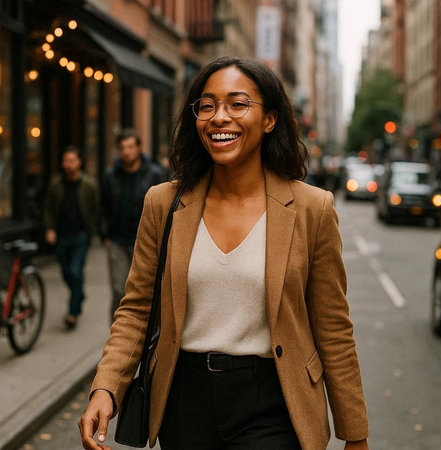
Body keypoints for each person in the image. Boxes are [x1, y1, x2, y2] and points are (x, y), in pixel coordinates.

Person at [79, 56, 369, 450]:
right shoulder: (163, 203)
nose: (219, 117)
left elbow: (333, 328)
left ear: (269, 119)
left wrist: (355, 434)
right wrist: (107, 387)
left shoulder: (311, 209)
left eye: (237, 104)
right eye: (208, 105)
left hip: (273, 399)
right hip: (184, 401)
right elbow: (136, 310)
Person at [100, 129, 167, 321]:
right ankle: (118, 336)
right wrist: (105, 235)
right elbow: (103, 207)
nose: (127, 152)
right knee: (119, 290)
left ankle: (145, 333)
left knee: (147, 289)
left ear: (139, 148)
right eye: (122, 148)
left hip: (146, 242)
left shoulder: (154, 174)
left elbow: (164, 206)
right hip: (118, 241)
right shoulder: (111, 176)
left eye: (130, 147)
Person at [44, 146, 99, 329]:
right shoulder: (56, 184)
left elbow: (96, 209)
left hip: (81, 236)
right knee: (66, 273)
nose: (68, 165)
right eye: (65, 161)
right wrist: (50, 229)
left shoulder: (89, 185)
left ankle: (72, 313)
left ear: (79, 162)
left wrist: (95, 232)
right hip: (62, 236)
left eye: (71, 160)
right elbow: (49, 209)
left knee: (75, 271)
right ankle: (80, 294)